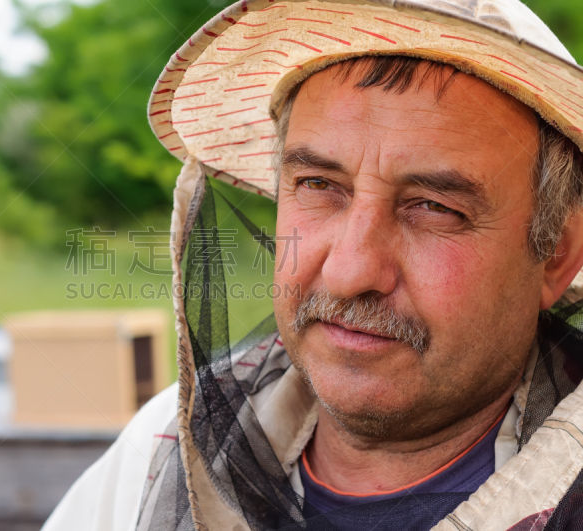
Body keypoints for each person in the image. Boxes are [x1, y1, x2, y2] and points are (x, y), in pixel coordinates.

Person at [44, 0, 583, 529]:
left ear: (556, 254)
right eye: (319, 185)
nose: (349, 273)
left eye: (435, 207)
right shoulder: (160, 448)